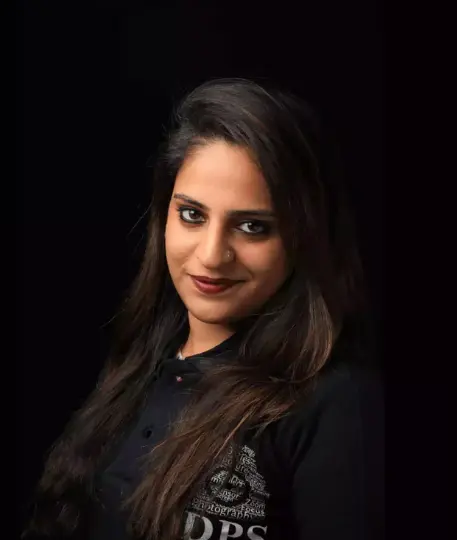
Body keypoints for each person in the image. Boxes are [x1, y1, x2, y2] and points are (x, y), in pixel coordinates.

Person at [23, 78, 384, 540]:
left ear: (304, 240)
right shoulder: (137, 369)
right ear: (164, 217)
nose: (213, 255)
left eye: (252, 227)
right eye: (192, 215)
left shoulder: (334, 405)